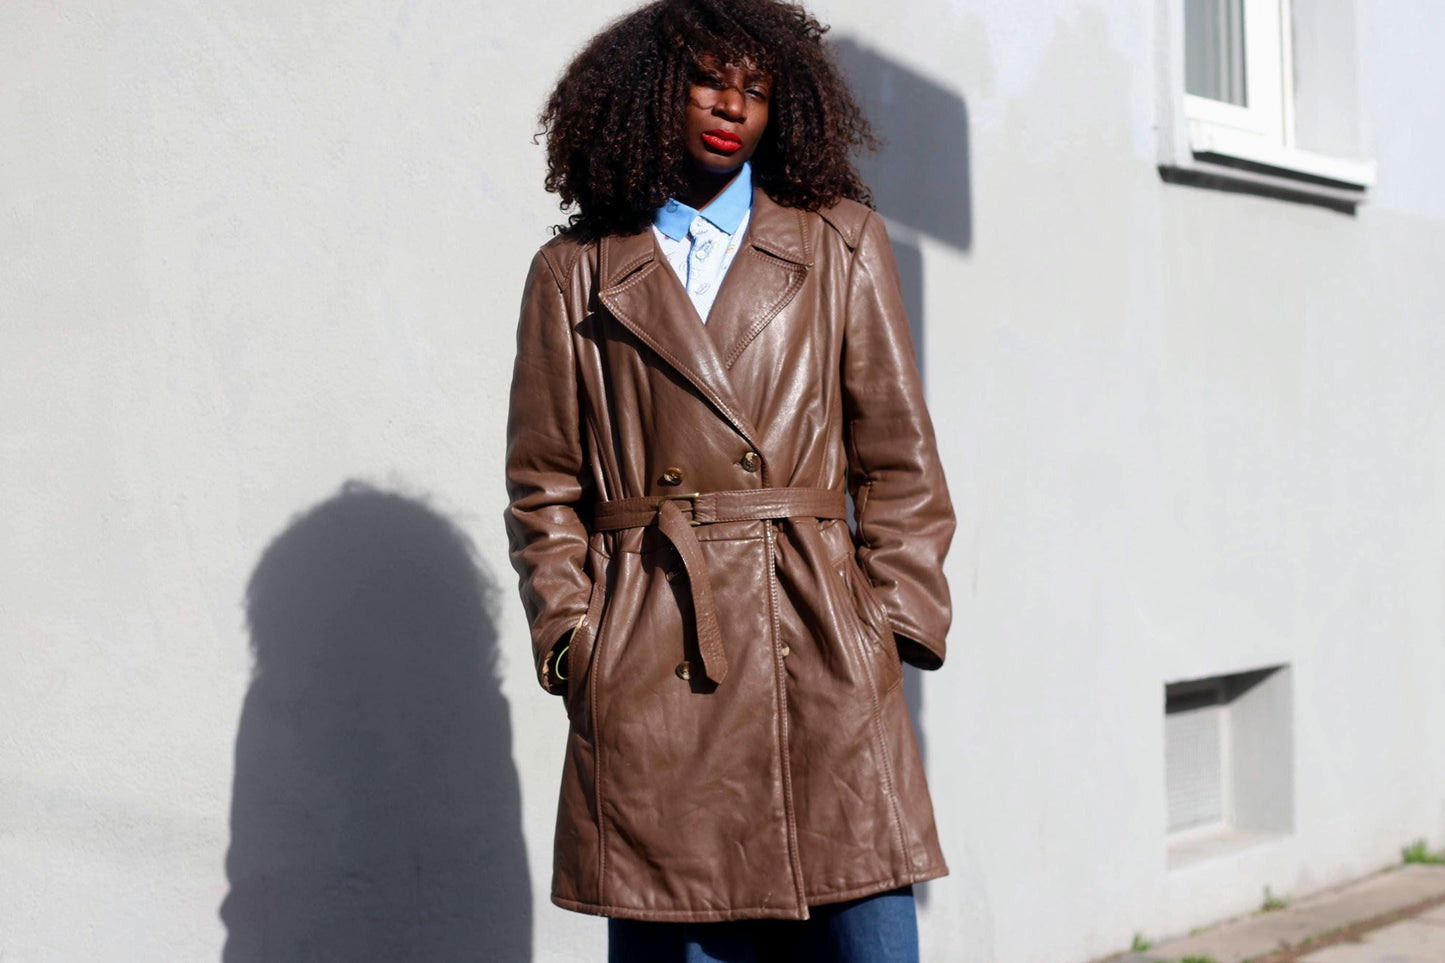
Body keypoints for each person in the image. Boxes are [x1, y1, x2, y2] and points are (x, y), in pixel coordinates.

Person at [502, 1, 958, 959]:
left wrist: (891, 622)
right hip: (654, 655)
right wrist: (574, 639)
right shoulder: (574, 272)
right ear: (651, 91)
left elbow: (900, 460)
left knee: (865, 933)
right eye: (712, 81)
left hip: (819, 643)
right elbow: (544, 483)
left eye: (756, 90)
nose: (733, 108)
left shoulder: (840, 241)